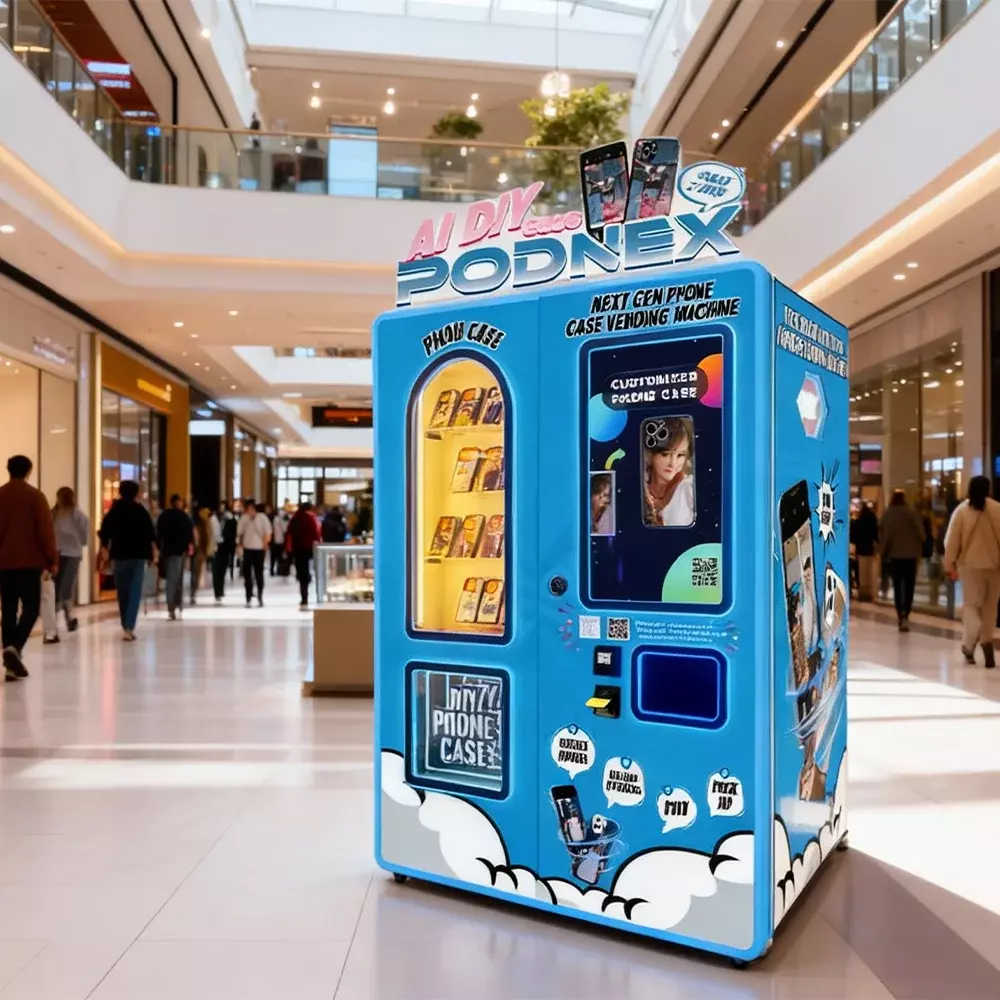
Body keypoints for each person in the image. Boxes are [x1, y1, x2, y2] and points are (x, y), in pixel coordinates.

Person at [0, 455, 57, 680]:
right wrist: (52, 559)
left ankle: (10, 663)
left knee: (9, 608)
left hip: (3, 563)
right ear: (29, 471)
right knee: (32, 607)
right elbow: (45, 531)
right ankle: (14, 648)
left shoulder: (0, 495)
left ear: (8, 470)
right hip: (28, 562)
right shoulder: (35, 496)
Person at [944, 475, 1000, 667]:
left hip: (969, 567)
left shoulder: (962, 511)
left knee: (971, 606)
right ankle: (986, 641)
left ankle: (969, 643)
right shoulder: (996, 509)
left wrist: (949, 564)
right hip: (994, 566)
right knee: (990, 608)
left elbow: (951, 541)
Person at [97, 480, 157, 641]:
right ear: (136, 493)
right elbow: (149, 535)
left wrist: (104, 548)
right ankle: (129, 626)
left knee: (122, 591)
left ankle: (126, 624)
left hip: (119, 555)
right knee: (135, 590)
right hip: (138, 555)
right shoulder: (140, 511)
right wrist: (152, 556)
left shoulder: (114, 511)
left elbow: (104, 531)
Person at [47, 486, 89, 641]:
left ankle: (63, 619)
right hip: (70, 553)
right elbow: (84, 535)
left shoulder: (56, 513)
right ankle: (66, 617)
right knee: (63, 586)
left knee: (60, 587)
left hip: (61, 553)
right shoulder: (73, 514)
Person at [880, 489, 925, 632]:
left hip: (895, 556)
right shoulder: (911, 513)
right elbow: (922, 534)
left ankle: (901, 615)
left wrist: (883, 553)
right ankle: (907, 612)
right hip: (911, 556)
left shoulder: (888, 514)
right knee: (909, 586)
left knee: (898, 586)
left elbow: (885, 536)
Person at [642, 417, 695, 527]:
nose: (673, 463)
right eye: (665, 454)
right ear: (649, 454)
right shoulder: (640, 488)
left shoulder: (689, 488)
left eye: (680, 455)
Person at [157, 494, 194, 621]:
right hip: (179, 552)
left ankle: (174, 605)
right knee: (176, 579)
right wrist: (190, 546)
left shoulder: (164, 516)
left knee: (173, 578)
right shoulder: (183, 517)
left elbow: (159, 532)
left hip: (167, 551)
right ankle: (173, 605)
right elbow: (189, 534)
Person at [286, 501, 322, 608]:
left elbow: (289, 533)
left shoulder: (295, 518)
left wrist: (289, 549)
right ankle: (316, 594)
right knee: (310, 572)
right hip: (309, 549)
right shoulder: (311, 518)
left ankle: (304, 597)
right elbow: (316, 534)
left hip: (298, 549)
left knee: (302, 574)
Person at [237, 498, 271, 607]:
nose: (250, 510)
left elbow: (268, 533)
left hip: (259, 549)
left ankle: (260, 596)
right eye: (248, 508)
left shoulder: (262, 518)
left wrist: (265, 545)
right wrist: (239, 546)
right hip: (247, 549)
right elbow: (239, 533)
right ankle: (248, 596)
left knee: (259, 573)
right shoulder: (244, 519)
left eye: (252, 508)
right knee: (247, 574)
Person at [851, 502, 879, 601]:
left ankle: (862, 592)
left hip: (861, 548)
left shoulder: (859, 520)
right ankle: (869, 592)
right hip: (870, 548)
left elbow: (854, 535)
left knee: (861, 572)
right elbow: (876, 533)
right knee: (869, 571)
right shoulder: (873, 519)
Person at [191, 507, 215, 604]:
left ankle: (193, 592)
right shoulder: (203, 525)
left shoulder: (205, 525)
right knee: (196, 572)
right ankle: (193, 592)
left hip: (199, 551)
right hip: (199, 551)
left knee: (196, 572)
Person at [210, 504, 227, 602]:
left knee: (222, 571)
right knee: (216, 571)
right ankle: (217, 592)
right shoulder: (212, 520)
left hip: (223, 548)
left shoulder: (227, 519)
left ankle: (221, 590)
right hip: (215, 548)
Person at [218, 500, 238, 581]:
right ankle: (230, 574)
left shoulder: (226, 518)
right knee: (229, 558)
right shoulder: (229, 518)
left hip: (227, 541)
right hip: (229, 541)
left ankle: (228, 573)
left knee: (226, 558)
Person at [270, 506, 287, 576]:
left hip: (274, 541)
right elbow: (284, 529)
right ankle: (280, 570)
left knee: (273, 557)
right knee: (280, 557)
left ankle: (272, 570)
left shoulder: (275, 518)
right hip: (280, 541)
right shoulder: (280, 519)